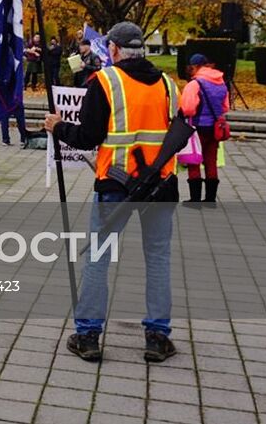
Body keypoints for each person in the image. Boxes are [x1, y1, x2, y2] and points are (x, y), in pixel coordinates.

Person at [44, 21, 179, 364]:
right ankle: (158, 336)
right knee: (159, 258)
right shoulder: (168, 84)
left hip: (115, 185)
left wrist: (57, 127)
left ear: (115, 50)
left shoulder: (105, 81)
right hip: (160, 186)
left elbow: (88, 137)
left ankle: (88, 335)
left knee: (98, 256)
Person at [179, 53, 229, 207]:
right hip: (214, 128)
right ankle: (210, 199)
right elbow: (225, 107)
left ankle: (195, 200)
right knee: (211, 161)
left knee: (193, 161)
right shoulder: (221, 82)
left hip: (198, 128)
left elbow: (187, 109)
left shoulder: (195, 84)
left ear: (195, 67)